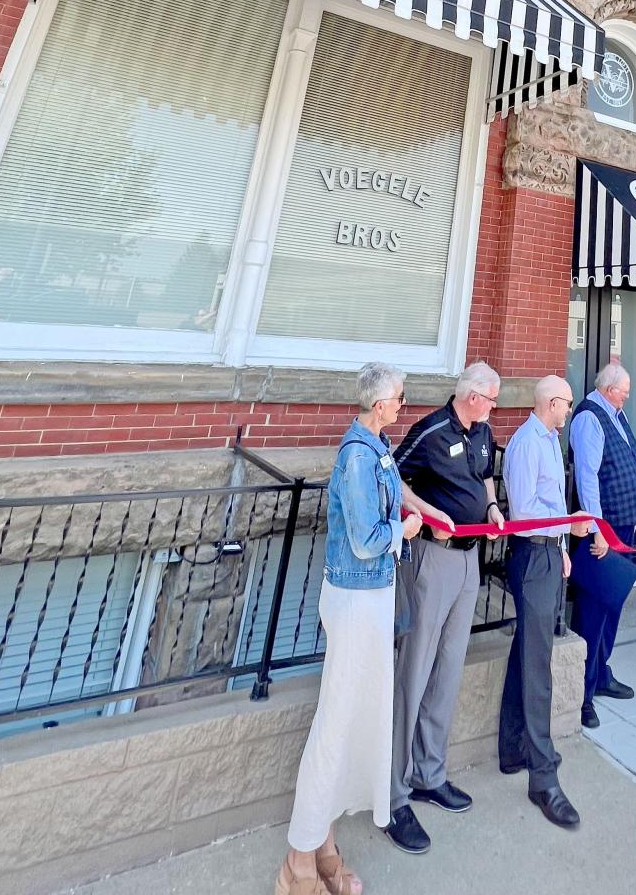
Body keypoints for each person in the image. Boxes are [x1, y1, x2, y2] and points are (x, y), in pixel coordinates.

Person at [276, 364, 422, 895]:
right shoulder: (359, 456)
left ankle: (325, 845)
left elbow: (399, 493)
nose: (404, 405)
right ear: (380, 402)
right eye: (400, 398)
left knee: (357, 718)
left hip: (374, 597)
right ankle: (297, 862)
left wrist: (424, 513)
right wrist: (403, 530)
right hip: (357, 598)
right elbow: (364, 539)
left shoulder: (377, 448)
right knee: (336, 721)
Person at [385, 362, 506, 855]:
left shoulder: (483, 431)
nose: (495, 408)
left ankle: (428, 774)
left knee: (449, 669)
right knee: (414, 670)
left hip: (469, 560)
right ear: (473, 396)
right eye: (492, 399)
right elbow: (391, 475)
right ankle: (392, 793)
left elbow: (486, 474)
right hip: (431, 561)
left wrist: (495, 510)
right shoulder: (431, 430)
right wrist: (424, 512)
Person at [499, 376, 593, 829]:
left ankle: (513, 746)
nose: (570, 410)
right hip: (531, 557)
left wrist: (560, 548)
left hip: (548, 555)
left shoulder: (552, 440)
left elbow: (550, 497)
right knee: (539, 667)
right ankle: (543, 776)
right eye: (568, 403)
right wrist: (565, 527)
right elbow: (521, 512)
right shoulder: (525, 444)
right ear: (551, 403)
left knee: (528, 652)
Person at [567, 361, 636, 727]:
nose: (629, 395)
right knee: (594, 607)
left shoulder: (615, 414)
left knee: (613, 604)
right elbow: (587, 477)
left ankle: (601, 673)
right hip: (605, 529)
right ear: (608, 388)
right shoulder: (590, 417)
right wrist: (597, 529)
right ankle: (583, 694)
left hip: (624, 526)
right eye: (625, 389)